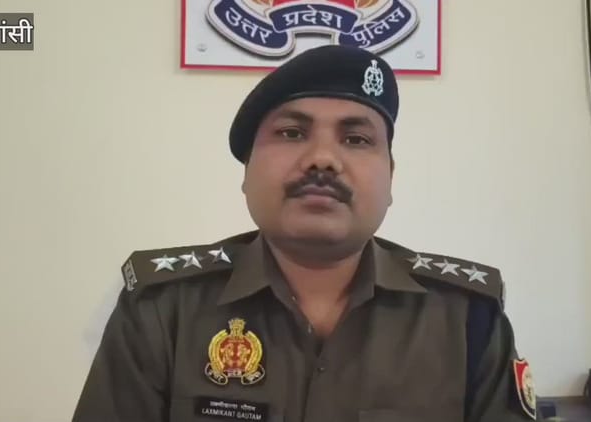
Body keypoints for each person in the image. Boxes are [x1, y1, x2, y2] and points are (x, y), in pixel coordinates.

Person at [72, 44, 537, 422]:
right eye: (292, 133)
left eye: (356, 139)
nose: (323, 159)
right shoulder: (161, 309)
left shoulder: (467, 318)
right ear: (247, 173)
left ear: (390, 178)